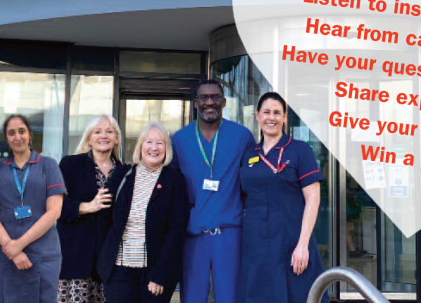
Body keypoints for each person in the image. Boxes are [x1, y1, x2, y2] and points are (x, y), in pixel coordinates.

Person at [237, 92, 328, 303]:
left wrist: (303, 245)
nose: (272, 117)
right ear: (257, 115)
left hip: (291, 242)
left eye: (277, 113)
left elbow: (313, 198)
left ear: (285, 117)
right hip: (256, 245)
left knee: (297, 296)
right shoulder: (249, 154)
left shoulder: (300, 150)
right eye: (266, 112)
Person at [171, 79, 256, 303]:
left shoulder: (242, 136)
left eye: (215, 97)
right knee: (192, 296)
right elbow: (173, 190)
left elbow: (252, 184)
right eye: (204, 97)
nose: (210, 102)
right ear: (195, 102)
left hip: (229, 233)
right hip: (193, 234)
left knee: (230, 296)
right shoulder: (179, 139)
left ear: (224, 102)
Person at [97, 123, 189, 303]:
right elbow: (104, 219)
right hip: (119, 270)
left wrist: (161, 274)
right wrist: (103, 262)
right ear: (140, 146)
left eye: (160, 143)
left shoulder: (174, 180)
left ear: (167, 149)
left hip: (154, 272)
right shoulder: (121, 175)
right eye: (149, 142)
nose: (154, 148)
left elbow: (176, 232)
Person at [0, 114, 67, 302]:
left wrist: (19, 245)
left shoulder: (48, 166)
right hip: (5, 256)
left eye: (22, 131)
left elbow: (54, 211)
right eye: (11, 133)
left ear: (30, 134)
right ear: (6, 138)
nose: (17, 137)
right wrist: (11, 249)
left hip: (42, 254)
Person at [58, 115, 123, 303]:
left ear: (116, 138)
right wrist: (88, 206)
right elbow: (54, 207)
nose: (104, 135)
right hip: (76, 260)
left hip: (110, 261)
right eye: (97, 131)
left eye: (109, 131)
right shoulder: (70, 165)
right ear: (89, 138)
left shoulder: (124, 171)